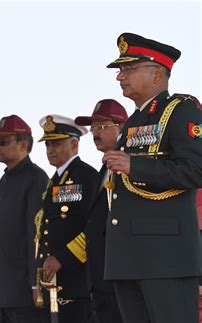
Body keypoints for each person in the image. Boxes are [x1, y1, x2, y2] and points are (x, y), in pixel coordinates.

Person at [103, 32, 202, 323]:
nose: (120, 77)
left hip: (166, 259)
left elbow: (196, 170)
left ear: (157, 73)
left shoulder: (182, 111)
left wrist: (136, 167)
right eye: (121, 70)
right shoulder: (133, 122)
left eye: (128, 69)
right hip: (129, 258)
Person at [0, 115, 49, 323]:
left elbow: (36, 236)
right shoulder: (6, 178)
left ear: (23, 144)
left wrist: (35, 285)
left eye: (3, 142)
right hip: (5, 291)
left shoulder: (35, 179)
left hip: (24, 292)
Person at [34, 114, 98, 323]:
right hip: (52, 281)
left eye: (57, 144)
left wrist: (63, 258)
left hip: (77, 281)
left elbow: (94, 226)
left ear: (74, 145)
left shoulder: (85, 176)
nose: (50, 150)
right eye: (48, 145)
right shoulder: (54, 180)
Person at [75, 99, 127, 323]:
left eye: (102, 127)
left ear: (122, 128)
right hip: (99, 278)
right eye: (94, 128)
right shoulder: (102, 170)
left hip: (121, 277)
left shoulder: (130, 166)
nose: (96, 133)